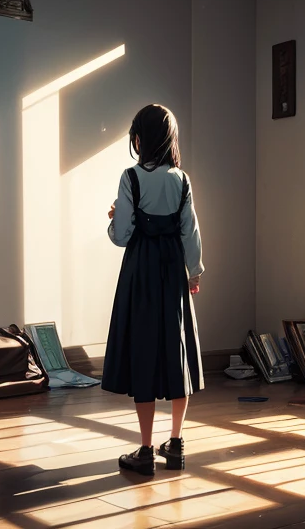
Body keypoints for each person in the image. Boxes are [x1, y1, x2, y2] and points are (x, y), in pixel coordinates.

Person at [102, 104, 205, 476]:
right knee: (177, 352)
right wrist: (194, 273)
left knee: (143, 351)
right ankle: (175, 444)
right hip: (172, 270)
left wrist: (116, 218)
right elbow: (190, 234)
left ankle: (145, 450)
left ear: (139, 140)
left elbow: (123, 236)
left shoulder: (130, 178)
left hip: (141, 272)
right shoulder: (182, 179)